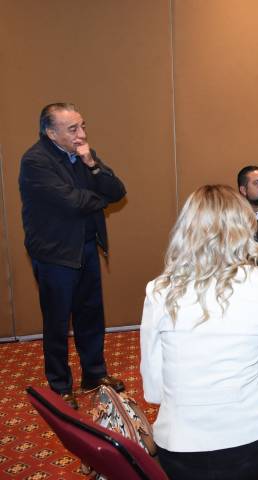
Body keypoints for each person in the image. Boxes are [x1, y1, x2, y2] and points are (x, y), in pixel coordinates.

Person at [141, 185, 258, 479]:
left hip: (180, 451)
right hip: (255, 445)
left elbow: (154, 388)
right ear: (245, 228)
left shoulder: (158, 291)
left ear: (186, 229)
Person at [19, 103, 127, 410]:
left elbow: (117, 191)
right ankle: (60, 385)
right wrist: (99, 198)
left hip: (86, 247)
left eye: (82, 126)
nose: (81, 134)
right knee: (57, 321)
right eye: (72, 129)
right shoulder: (35, 161)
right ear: (51, 133)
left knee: (90, 314)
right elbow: (71, 201)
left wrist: (91, 164)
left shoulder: (83, 153)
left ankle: (94, 374)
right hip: (55, 253)